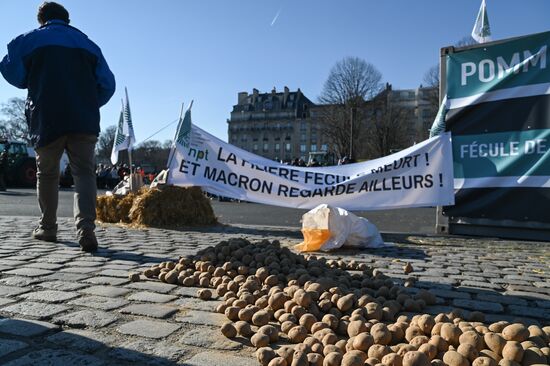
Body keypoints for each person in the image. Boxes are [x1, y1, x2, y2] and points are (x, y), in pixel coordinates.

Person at [0, 2, 115, 251]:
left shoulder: (30, 40)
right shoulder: (89, 45)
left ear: (42, 20)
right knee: (84, 173)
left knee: (47, 173)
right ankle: (86, 229)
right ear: (67, 20)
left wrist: (29, 79)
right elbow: (108, 84)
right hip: (83, 118)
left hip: (46, 115)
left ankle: (48, 228)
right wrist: (90, 103)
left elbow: (9, 69)